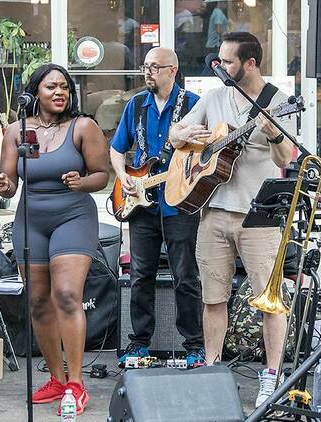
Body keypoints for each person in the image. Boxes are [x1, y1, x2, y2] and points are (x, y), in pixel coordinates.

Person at [169, 32, 295, 407]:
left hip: (259, 216)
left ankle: (271, 375)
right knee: (213, 298)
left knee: (269, 301)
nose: (220, 67)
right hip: (213, 213)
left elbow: (285, 160)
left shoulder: (279, 102)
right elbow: (176, 134)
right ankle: (212, 369)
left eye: (228, 61)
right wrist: (182, 134)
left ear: (250, 62)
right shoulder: (213, 97)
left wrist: (274, 136)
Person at [0, 63, 110, 415]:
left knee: (68, 295)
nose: (60, 93)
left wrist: (81, 182)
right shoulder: (16, 130)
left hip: (73, 215)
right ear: (35, 93)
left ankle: (76, 382)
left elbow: (103, 175)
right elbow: (11, 183)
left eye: (65, 87)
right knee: (39, 301)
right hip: (30, 218)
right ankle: (56, 379)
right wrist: (3, 185)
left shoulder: (83, 127)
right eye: (51, 87)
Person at [110, 47, 205, 369]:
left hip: (180, 203)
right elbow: (117, 148)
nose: (147, 72)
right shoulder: (136, 105)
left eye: (154, 67)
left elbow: (207, 149)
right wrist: (124, 177)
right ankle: (138, 344)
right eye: (146, 66)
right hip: (140, 203)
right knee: (140, 276)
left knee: (186, 277)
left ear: (172, 70)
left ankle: (195, 346)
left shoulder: (194, 105)